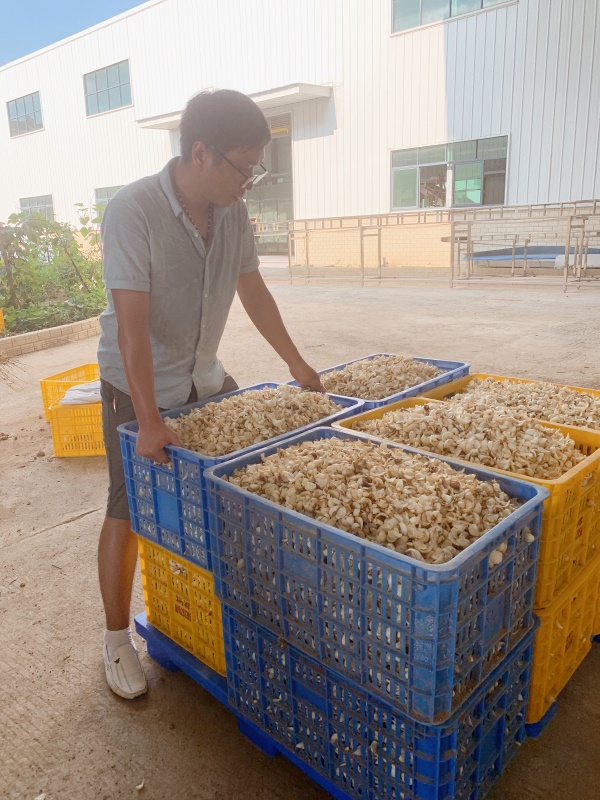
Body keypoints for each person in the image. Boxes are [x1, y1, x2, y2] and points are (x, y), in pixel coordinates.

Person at [97, 88, 323, 700]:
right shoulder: (133, 211)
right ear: (202, 153)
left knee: (240, 483)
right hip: (138, 386)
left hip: (205, 376)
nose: (251, 180)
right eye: (244, 167)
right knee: (128, 507)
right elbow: (130, 326)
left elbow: (254, 293)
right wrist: (148, 420)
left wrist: (298, 365)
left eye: (256, 168)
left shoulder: (233, 214)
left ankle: (224, 612)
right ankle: (117, 641)